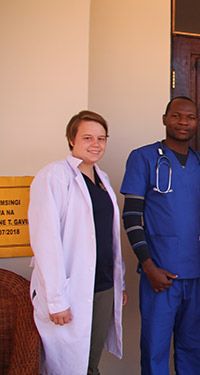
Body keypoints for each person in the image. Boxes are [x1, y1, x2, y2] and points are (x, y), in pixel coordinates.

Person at [120, 96, 200, 374]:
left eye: (190, 117)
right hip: (159, 275)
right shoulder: (143, 158)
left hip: (198, 275)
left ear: (197, 122)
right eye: (176, 116)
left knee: (195, 351)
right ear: (164, 119)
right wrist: (148, 266)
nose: (183, 122)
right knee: (155, 350)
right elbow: (131, 216)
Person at [29, 110, 127, 375]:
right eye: (87, 138)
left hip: (103, 286)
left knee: (90, 362)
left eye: (101, 138)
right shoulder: (53, 177)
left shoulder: (102, 180)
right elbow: (45, 242)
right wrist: (56, 300)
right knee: (69, 366)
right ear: (71, 139)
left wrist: (119, 284)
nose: (95, 144)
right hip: (69, 290)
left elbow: (109, 238)